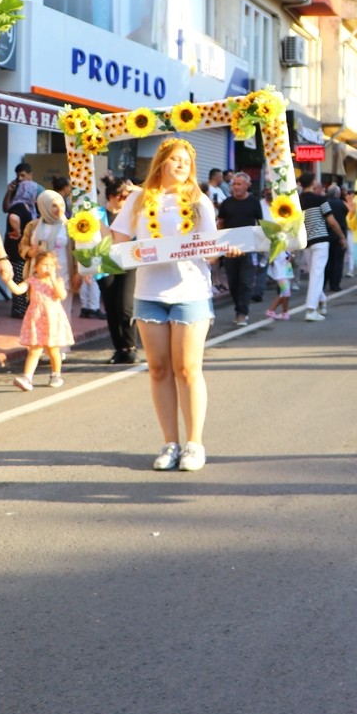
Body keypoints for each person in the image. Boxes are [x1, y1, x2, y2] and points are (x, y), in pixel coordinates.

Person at [111, 137, 243, 472]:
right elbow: (119, 243)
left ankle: (194, 444)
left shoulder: (199, 200)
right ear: (161, 162)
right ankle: (170, 442)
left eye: (187, 160)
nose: (182, 165)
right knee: (157, 370)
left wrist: (229, 249)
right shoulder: (139, 199)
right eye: (175, 159)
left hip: (191, 292)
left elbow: (210, 251)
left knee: (187, 369)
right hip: (149, 294)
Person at [4, 250, 75, 391]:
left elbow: (61, 295)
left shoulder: (58, 281)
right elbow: (18, 290)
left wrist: (53, 279)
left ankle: (56, 375)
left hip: (52, 319)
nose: (47, 268)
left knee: (53, 349)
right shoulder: (32, 281)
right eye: (44, 265)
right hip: (36, 319)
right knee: (34, 350)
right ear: (36, 266)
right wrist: (8, 280)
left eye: (51, 265)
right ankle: (27, 377)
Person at [20, 190, 78, 326]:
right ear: (43, 206)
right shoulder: (33, 226)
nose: (59, 209)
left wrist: (79, 272)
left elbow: (77, 251)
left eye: (62, 205)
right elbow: (22, 246)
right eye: (53, 205)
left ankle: (60, 347)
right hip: (38, 276)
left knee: (62, 314)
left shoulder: (70, 227)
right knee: (41, 314)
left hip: (63, 276)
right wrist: (31, 252)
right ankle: (43, 346)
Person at [216, 171, 264, 326]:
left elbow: (261, 223)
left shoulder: (254, 202)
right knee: (233, 282)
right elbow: (221, 222)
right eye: (234, 184)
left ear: (247, 186)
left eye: (239, 184)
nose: (235, 187)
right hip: (229, 248)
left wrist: (262, 243)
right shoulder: (227, 203)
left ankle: (242, 312)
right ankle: (238, 307)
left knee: (246, 281)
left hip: (248, 248)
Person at [100, 177, 139, 364]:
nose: (126, 200)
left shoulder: (132, 214)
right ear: (112, 196)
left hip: (129, 262)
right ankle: (119, 349)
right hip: (106, 263)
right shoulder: (98, 214)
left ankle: (131, 347)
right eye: (123, 196)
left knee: (125, 307)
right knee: (111, 309)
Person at [298, 173, 345, 321]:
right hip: (321, 239)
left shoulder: (296, 202)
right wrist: (342, 237)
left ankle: (322, 301)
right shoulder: (320, 199)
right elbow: (331, 221)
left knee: (315, 273)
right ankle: (311, 309)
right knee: (317, 274)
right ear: (312, 183)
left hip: (306, 242)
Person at [4, 179, 40, 319]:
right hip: (16, 248)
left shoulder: (26, 205)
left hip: (19, 247)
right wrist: (17, 230)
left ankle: (21, 308)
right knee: (19, 277)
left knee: (21, 276)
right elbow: (13, 216)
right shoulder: (18, 205)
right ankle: (19, 309)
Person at [324, 182, 348, 292]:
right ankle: (335, 284)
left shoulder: (325, 204)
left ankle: (324, 283)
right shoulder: (342, 204)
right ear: (338, 194)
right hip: (340, 234)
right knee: (338, 260)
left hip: (327, 233)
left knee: (327, 260)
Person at [264, 250, 293, 321]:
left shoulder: (286, 247)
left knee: (285, 294)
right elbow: (272, 260)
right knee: (285, 293)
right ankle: (271, 310)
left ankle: (285, 312)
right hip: (280, 273)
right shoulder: (275, 247)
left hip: (286, 272)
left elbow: (289, 259)